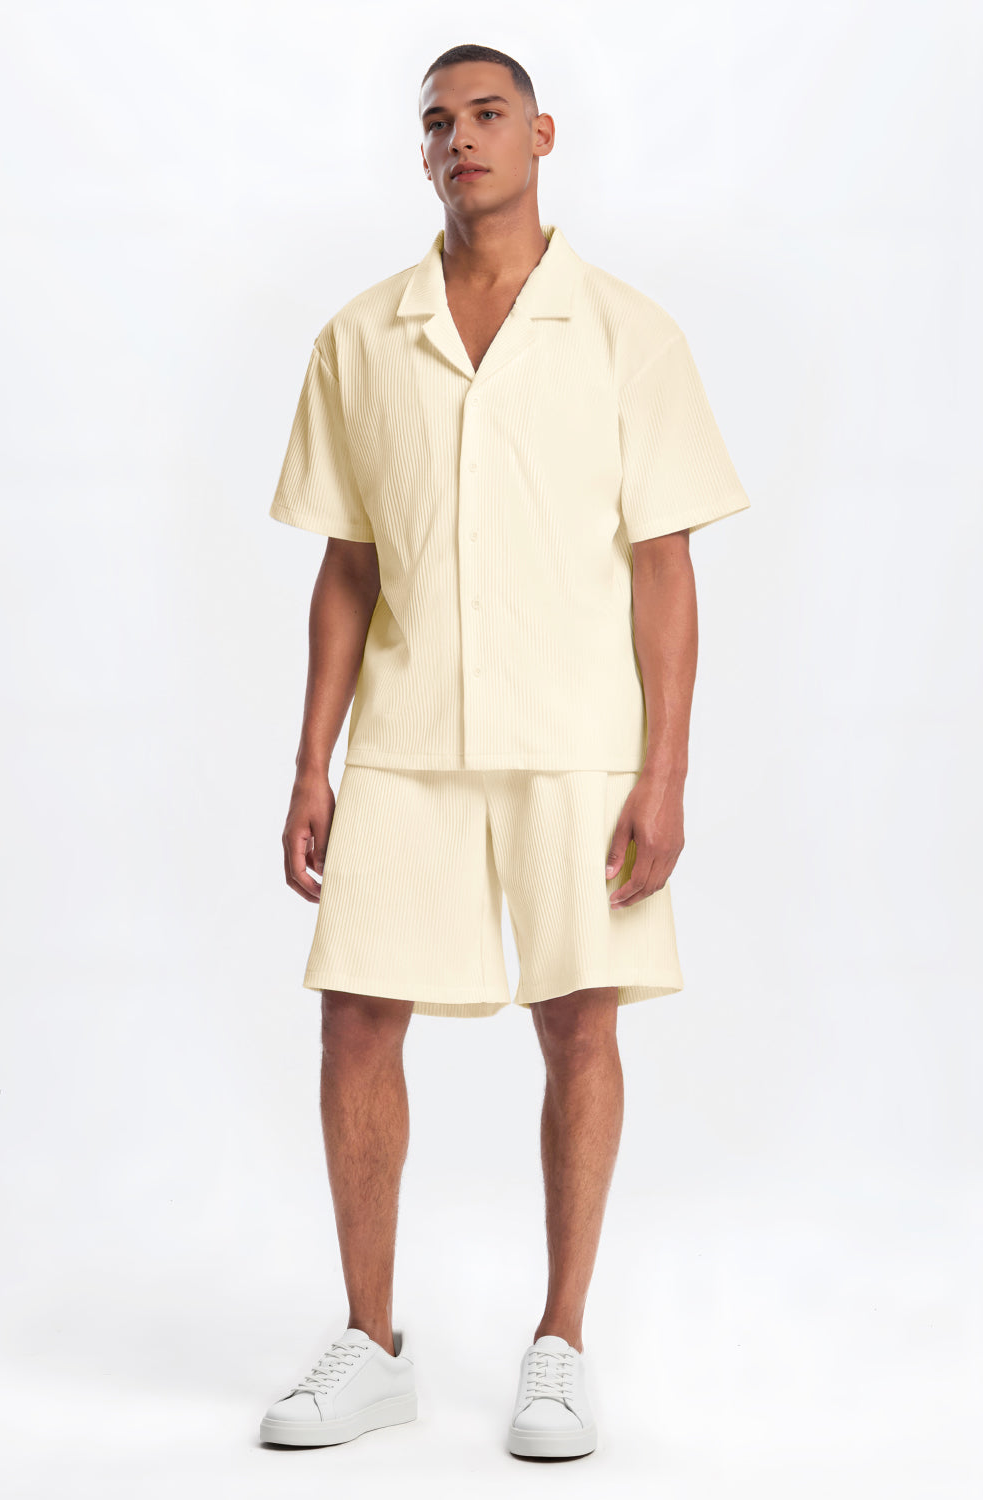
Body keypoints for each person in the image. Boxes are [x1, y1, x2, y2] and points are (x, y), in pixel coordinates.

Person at [258, 42, 750, 1461]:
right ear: (421, 151)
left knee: (579, 1021)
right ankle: (372, 1344)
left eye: (486, 114)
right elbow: (348, 567)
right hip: (406, 735)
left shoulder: (627, 332)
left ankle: (561, 1343)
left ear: (542, 133)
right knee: (357, 1017)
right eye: (437, 122)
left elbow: (665, 566)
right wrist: (312, 762)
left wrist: (666, 771)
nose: (459, 139)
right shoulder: (360, 338)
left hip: (579, 737)